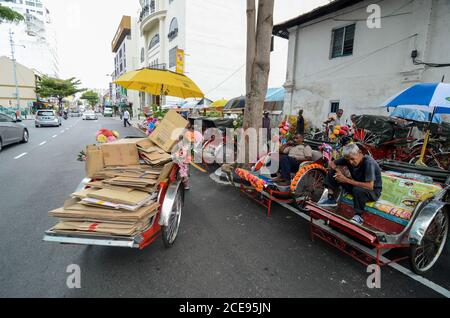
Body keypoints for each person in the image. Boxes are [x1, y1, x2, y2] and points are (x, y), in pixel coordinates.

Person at [318, 143, 383, 225]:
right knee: (333, 172)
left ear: (359, 153)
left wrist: (346, 180)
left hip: (372, 192)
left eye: (352, 159)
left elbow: (370, 186)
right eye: (348, 160)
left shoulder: (369, 163)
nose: (350, 162)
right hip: (356, 185)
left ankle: (358, 216)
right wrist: (338, 171)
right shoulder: (348, 157)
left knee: (358, 189)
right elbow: (332, 163)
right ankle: (331, 198)